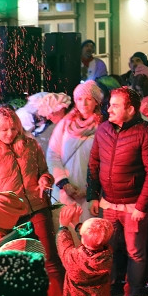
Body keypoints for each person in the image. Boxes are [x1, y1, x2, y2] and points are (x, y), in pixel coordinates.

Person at [0, 106, 63, 295]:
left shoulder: (30, 144)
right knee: (16, 265)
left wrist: (45, 179)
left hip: (37, 206)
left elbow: (44, 171)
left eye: (14, 128)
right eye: (4, 130)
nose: (10, 134)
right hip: (8, 216)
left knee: (50, 259)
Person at [87, 87, 148, 296]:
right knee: (105, 250)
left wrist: (142, 206)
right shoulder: (103, 130)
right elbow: (94, 163)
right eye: (110, 104)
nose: (108, 108)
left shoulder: (147, 133)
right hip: (108, 204)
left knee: (135, 253)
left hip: (133, 206)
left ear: (130, 109)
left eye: (115, 105)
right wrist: (93, 194)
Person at [47, 81, 103, 223]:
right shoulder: (65, 124)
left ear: (96, 102)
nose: (83, 103)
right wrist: (65, 184)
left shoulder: (103, 127)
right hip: (65, 193)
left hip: (91, 196)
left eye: (88, 99)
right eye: (79, 99)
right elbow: (53, 155)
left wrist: (91, 191)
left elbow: (107, 161)